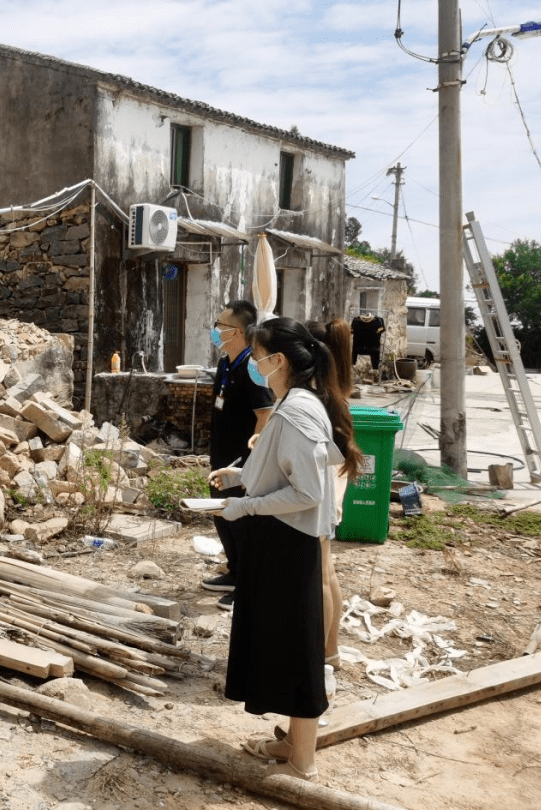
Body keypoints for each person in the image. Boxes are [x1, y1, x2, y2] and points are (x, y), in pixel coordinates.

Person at [210, 317, 362, 781]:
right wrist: (243, 477)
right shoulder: (299, 401)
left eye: (256, 358)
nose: (253, 366)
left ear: (277, 361)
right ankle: (295, 746)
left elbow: (308, 492)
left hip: (285, 544)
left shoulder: (296, 411)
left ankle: (304, 761)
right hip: (283, 541)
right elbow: (294, 469)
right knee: (290, 649)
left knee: (297, 653)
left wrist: (246, 506)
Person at [202, 300, 274, 610]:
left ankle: (247, 583)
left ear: (239, 332)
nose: (215, 331)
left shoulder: (252, 369)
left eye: (220, 327)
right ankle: (233, 571)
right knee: (222, 517)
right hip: (220, 457)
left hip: (241, 463)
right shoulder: (225, 363)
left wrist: (253, 459)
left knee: (242, 523)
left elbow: (265, 414)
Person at [307, 318, 354, 670]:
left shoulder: (318, 396)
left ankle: (318, 657)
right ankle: (331, 651)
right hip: (328, 485)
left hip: (319, 488)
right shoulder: (333, 390)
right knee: (328, 572)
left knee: (321, 576)